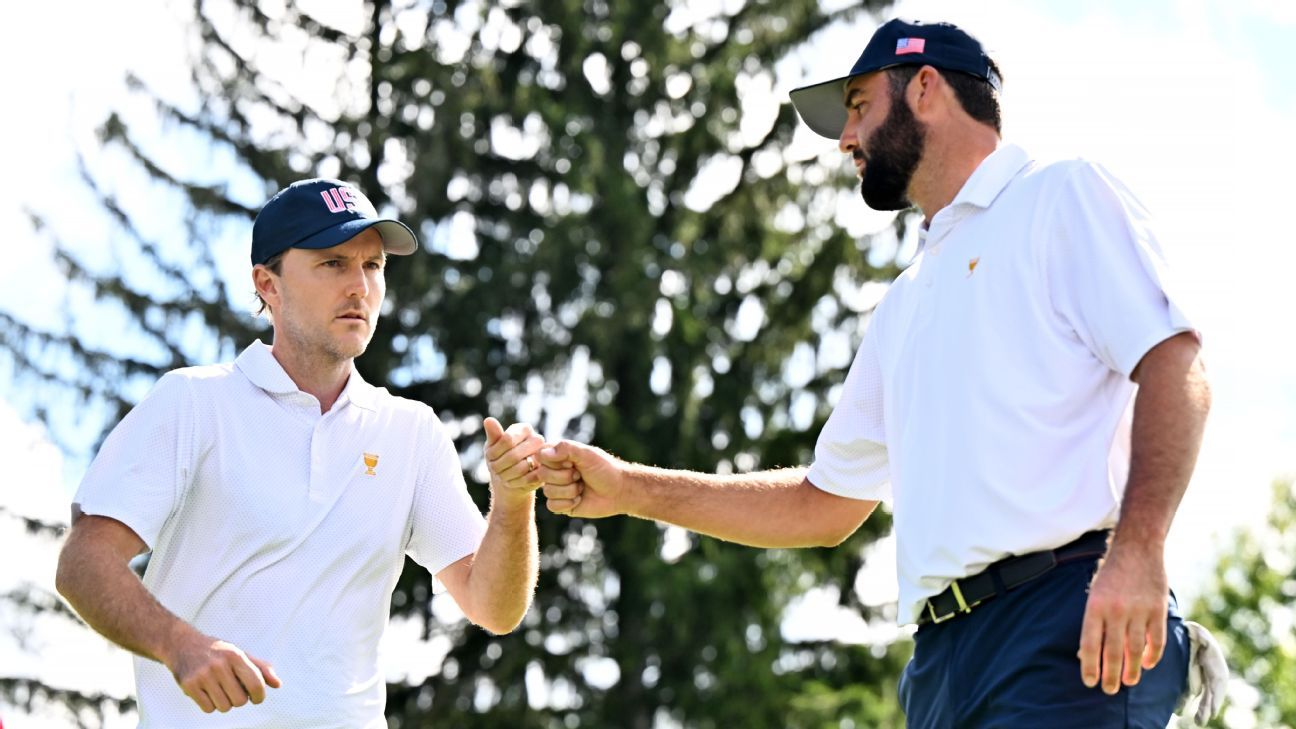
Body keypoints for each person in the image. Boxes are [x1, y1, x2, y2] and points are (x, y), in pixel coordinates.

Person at [492, 18, 1219, 728]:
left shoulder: (1061, 195)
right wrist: (631, 488)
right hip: (939, 664)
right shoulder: (904, 304)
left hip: (1067, 622)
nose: (846, 140)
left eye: (860, 108)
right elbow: (824, 504)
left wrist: (1139, 553)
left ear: (926, 88)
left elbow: (1174, 362)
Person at [55, 178, 558, 727]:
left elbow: (494, 607)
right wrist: (180, 645)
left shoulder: (411, 432)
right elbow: (84, 564)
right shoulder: (194, 403)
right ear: (267, 285)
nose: (360, 287)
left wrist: (511, 503)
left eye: (373, 266)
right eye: (333, 264)